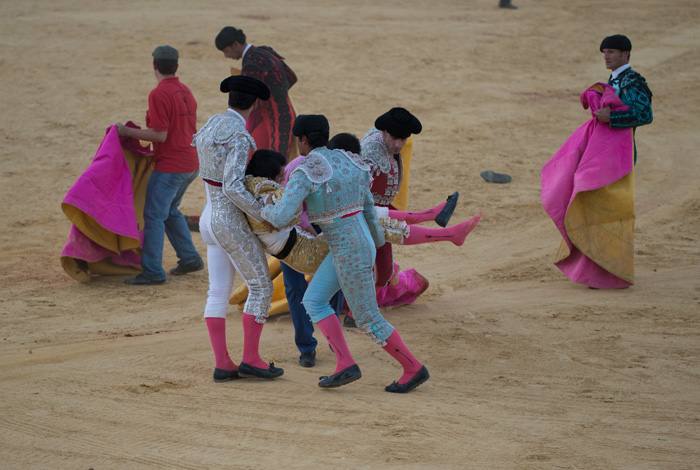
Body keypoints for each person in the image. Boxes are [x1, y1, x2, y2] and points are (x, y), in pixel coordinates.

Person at [261, 114, 430, 393]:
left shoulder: (306, 171)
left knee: (367, 318)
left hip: (347, 249)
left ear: (302, 140)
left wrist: (263, 206)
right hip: (356, 243)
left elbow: (280, 217)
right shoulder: (352, 161)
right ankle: (344, 363)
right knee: (313, 300)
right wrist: (374, 251)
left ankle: (412, 368)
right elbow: (369, 213)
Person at [193, 75, 284, 382]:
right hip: (228, 221)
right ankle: (251, 359)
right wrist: (262, 212)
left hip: (208, 216)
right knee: (261, 286)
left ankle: (223, 363)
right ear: (255, 105)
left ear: (229, 99)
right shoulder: (239, 137)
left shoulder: (209, 127)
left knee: (217, 291)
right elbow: (232, 187)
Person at [361, 108, 467, 308]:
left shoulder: (386, 142)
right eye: (395, 138)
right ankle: (357, 312)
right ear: (383, 132)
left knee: (381, 263)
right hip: (366, 211)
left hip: (379, 206)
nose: (399, 144)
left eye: (403, 139)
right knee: (379, 267)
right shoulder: (371, 154)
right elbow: (356, 190)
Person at [117, 45, 203, 285]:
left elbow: (160, 135)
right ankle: (190, 258)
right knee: (170, 211)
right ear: (176, 66)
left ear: (154, 65)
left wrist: (127, 131)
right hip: (191, 162)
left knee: (154, 215)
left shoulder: (158, 94)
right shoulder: (186, 91)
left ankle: (153, 271)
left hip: (171, 166)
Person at [215, 26, 297, 159]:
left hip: (277, 116)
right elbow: (291, 77)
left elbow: (247, 97)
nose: (226, 56)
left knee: (277, 158)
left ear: (235, 44)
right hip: (282, 111)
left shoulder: (252, 63)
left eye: (226, 51)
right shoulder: (264, 51)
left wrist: (271, 98)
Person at [595, 34, 653, 161]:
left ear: (625, 54)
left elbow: (645, 114)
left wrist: (611, 117)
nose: (606, 57)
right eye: (604, 52)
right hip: (612, 148)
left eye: (611, 52)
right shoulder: (616, 78)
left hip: (623, 152)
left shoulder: (631, 81)